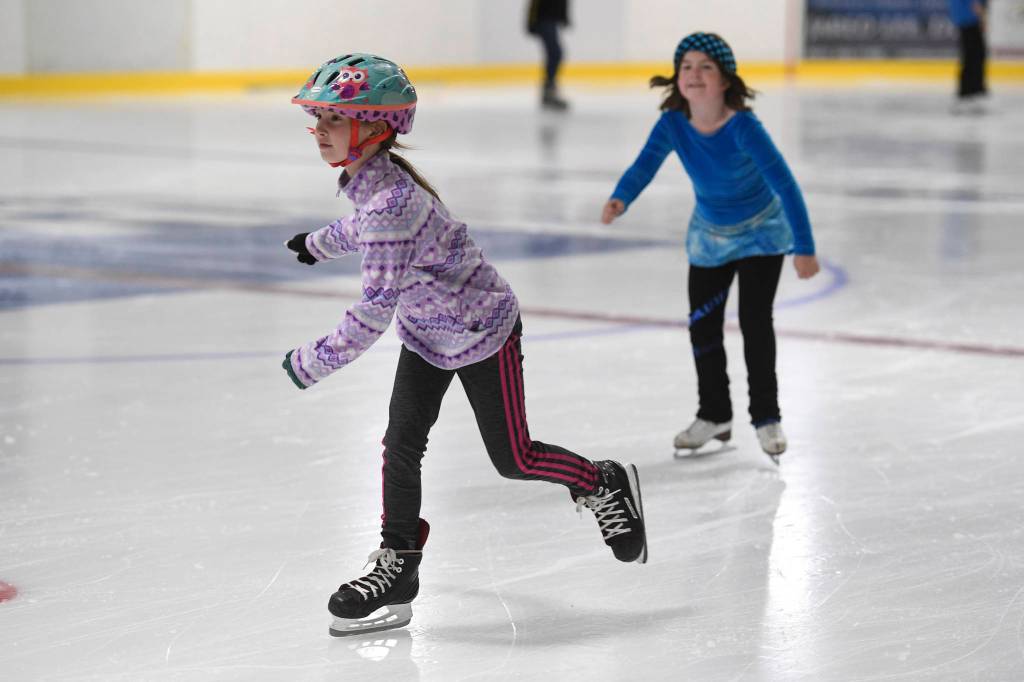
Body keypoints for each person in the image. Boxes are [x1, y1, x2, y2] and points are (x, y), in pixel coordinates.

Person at [282, 53, 647, 637]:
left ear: (376, 127)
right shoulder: (374, 187)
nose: (319, 130)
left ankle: (599, 480)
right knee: (400, 445)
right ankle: (398, 565)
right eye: (318, 117)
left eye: (333, 118)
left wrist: (311, 362)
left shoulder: (391, 206)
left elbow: (374, 308)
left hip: (482, 330)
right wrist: (318, 244)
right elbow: (364, 227)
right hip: (428, 335)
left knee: (515, 458)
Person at [600, 33, 820, 463]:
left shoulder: (744, 127)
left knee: (756, 324)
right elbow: (646, 163)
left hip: (762, 234)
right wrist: (621, 196)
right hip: (709, 235)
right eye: (686, 67)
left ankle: (766, 416)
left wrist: (804, 246)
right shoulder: (673, 124)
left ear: (725, 80)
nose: (694, 75)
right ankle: (715, 413)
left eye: (706, 68)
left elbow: (785, 186)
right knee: (703, 326)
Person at [526, 0, 570, 110]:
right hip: (543, 19)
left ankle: (549, 89)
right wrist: (531, 21)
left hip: (551, 19)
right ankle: (549, 90)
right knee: (555, 53)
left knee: (555, 53)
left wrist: (564, 17)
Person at [948, 0, 989, 114]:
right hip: (969, 19)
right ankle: (967, 92)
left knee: (972, 55)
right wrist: (981, 16)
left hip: (965, 18)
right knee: (973, 56)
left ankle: (969, 92)